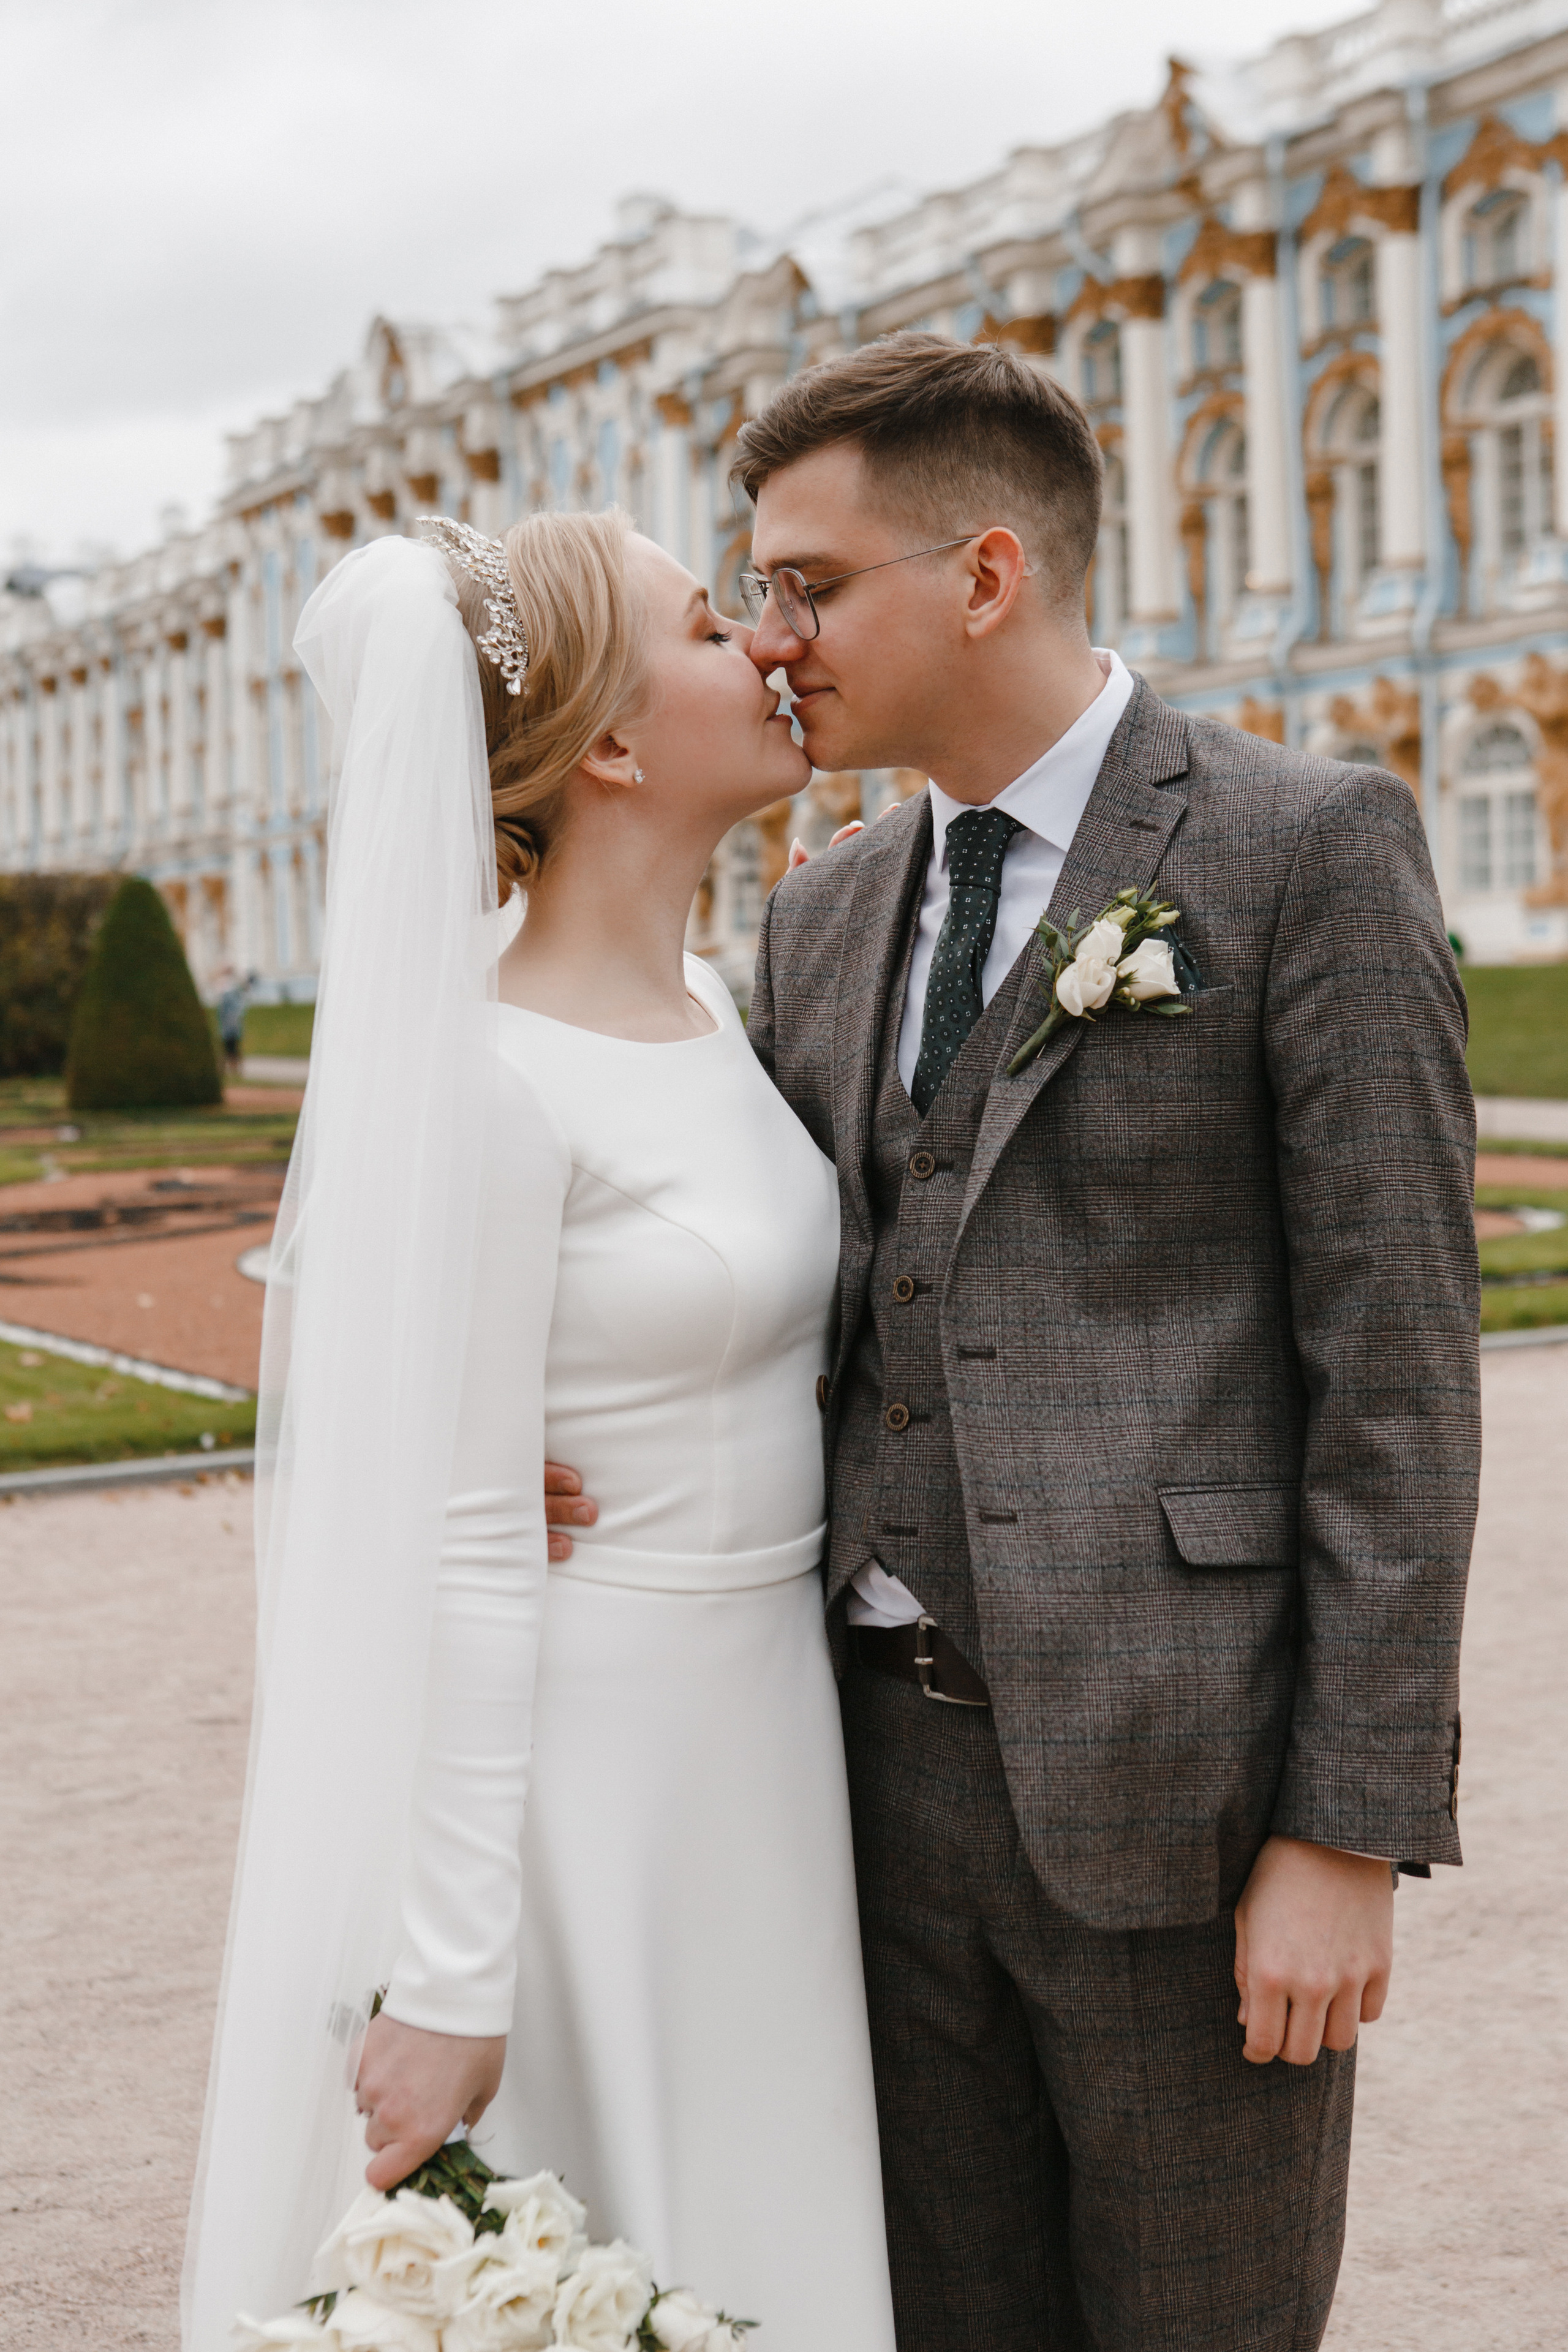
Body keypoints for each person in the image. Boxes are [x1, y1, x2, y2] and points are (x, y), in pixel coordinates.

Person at [549, 334, 1480, 2349]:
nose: (773, 637)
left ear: (984, 576)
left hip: (1191, 1803)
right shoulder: (824, 906)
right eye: (755, 592)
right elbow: (779, 1286)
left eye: (807, 584)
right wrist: (534, 1449)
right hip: (848, 1796)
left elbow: (1398, 1376)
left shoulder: (1303, 846)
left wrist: (1347, 1828)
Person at [182, 515, 896, 2350]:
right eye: (703, 623)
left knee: (769, 2207)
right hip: (601, 1764)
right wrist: (453, 1971)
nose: (763, 645)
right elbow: (470, 1542)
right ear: (612, 747)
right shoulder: (487, 1075)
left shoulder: (724, 1008)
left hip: (766, 1746)